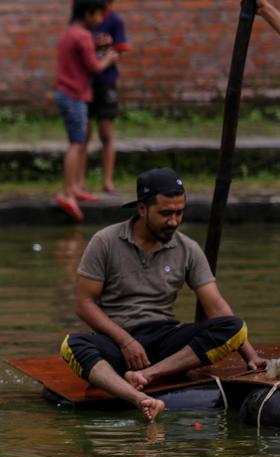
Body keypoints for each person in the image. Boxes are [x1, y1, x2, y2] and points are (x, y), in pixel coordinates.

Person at [60, 167, 268, 422]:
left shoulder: (187, 248)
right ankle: (138, 398)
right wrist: (126, 342)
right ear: (142, 209)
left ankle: (148, 375)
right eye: (165, 213)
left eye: (179, 213)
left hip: (165, 341)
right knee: (72, 344)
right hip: (116, 341)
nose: (173, 221)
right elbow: (84, 304)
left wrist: (251, 355)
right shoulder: (105, 241)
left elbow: (216, 307)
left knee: (234, 326)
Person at [54, 0, 119, 222]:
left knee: (79, 141)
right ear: (89, 13)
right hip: (74, 95)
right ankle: (66, 193)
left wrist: (96, 48)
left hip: (67, 93)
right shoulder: (82, 36)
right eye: (99, 14)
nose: (102, 19)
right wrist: (109, 58)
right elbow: (94, 68)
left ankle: (74, 188)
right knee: (76, 143)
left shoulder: (71, 32)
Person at [81, 0, 128, 194]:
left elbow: (120, 51)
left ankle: (107, 181)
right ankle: (79, 181)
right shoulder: (82, 19)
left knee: (106, 133)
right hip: (84, 82)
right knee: (82, 134)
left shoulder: (115, 21)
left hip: (106, 82)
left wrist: (108, 51)